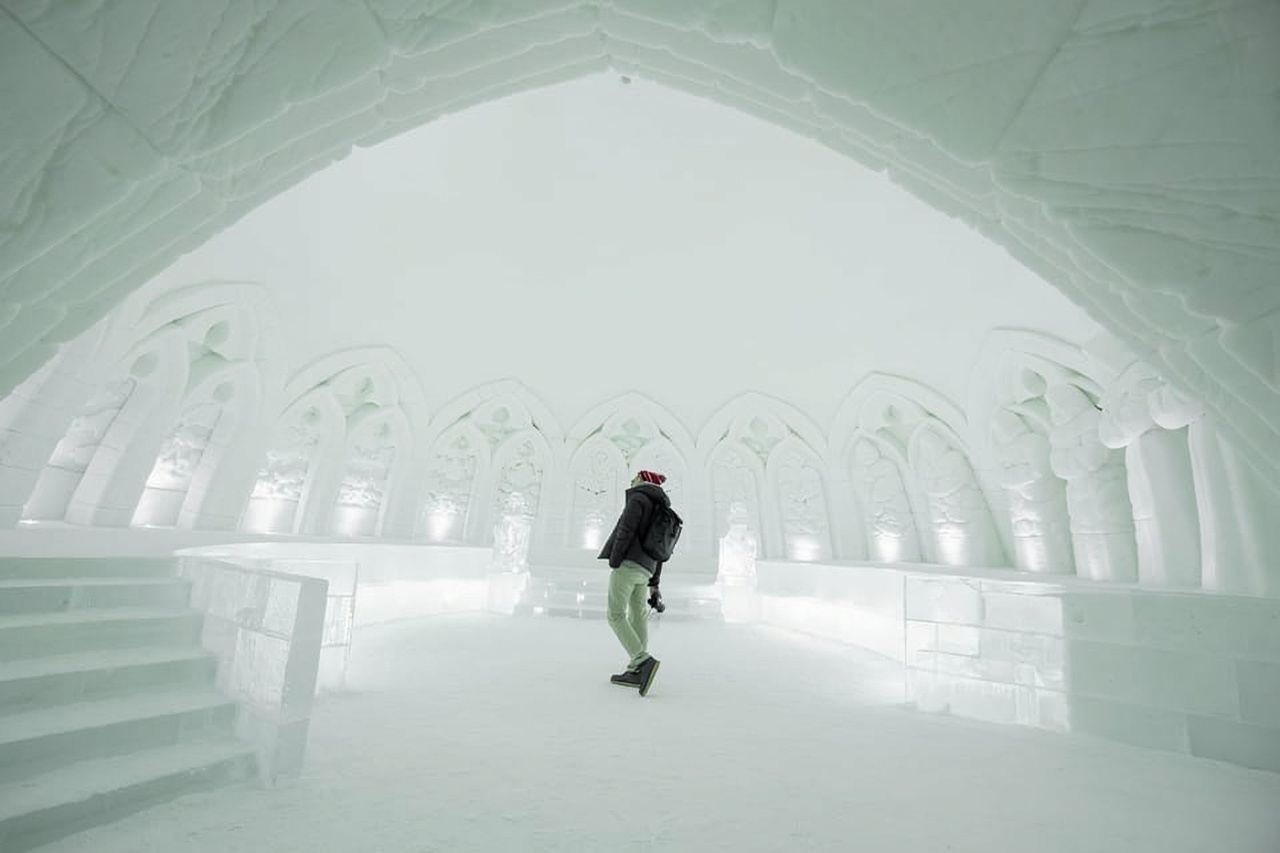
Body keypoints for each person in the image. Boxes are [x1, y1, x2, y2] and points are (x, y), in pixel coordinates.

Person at [598, 470, 670, 696]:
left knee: (615, 615)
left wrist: (616, 559)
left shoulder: (638, 498)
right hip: (646, 569)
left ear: (643, 481)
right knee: (637, 614)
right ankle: (636, 669)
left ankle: (642, 660)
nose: (632, 481)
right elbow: (662, 551)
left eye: (636, 478)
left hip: (628, 563)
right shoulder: (662, 509)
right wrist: (654, 582)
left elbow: (625, 530)